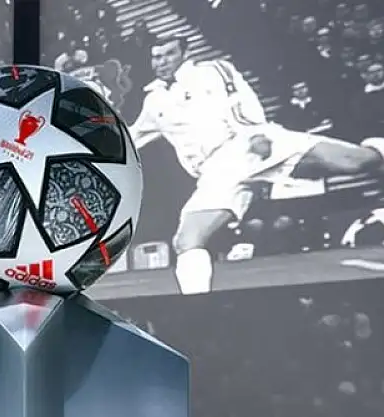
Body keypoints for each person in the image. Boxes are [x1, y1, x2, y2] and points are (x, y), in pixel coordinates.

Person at [130, 35, 384, 296]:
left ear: (185, 53)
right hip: (218, 169)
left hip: (249, 142)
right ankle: (198, 307)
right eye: (156, 57)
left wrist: (255, 134)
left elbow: (240, 101)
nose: (161, 62)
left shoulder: (212, 70)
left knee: (357, 162)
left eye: (169, 54)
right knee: (187, 241)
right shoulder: (153, 100)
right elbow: (130, 138)